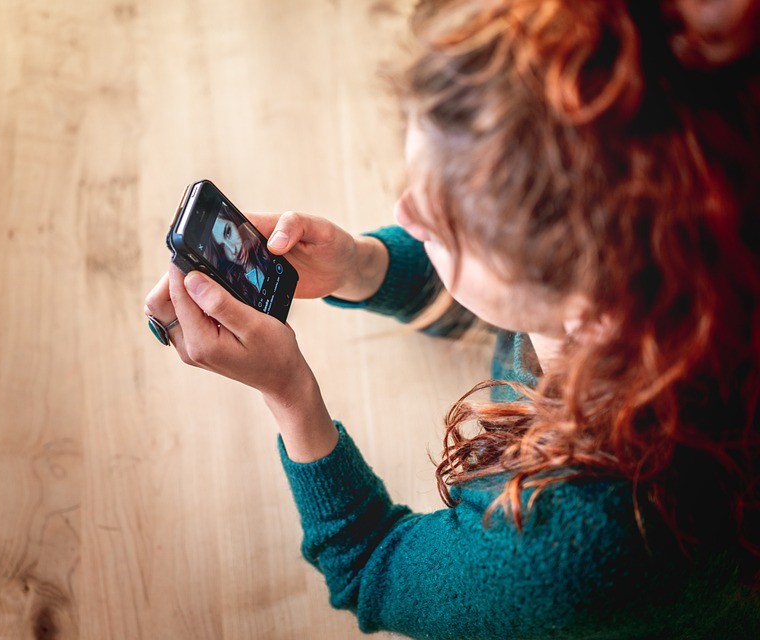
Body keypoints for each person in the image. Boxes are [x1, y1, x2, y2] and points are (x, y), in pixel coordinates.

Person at [144, 0, 760, 637]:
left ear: (594, 304)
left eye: (441, 225)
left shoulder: (564, 546)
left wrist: (291, 394)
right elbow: (519, 281)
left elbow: (372, 565)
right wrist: (362, 265)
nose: (402, 212)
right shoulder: (692, 242)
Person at [203, 204, 271, 304]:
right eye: (222, 247)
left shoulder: (266, 249)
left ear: (234, 221)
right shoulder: (235, 289)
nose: (232, 249)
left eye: (228, 232)